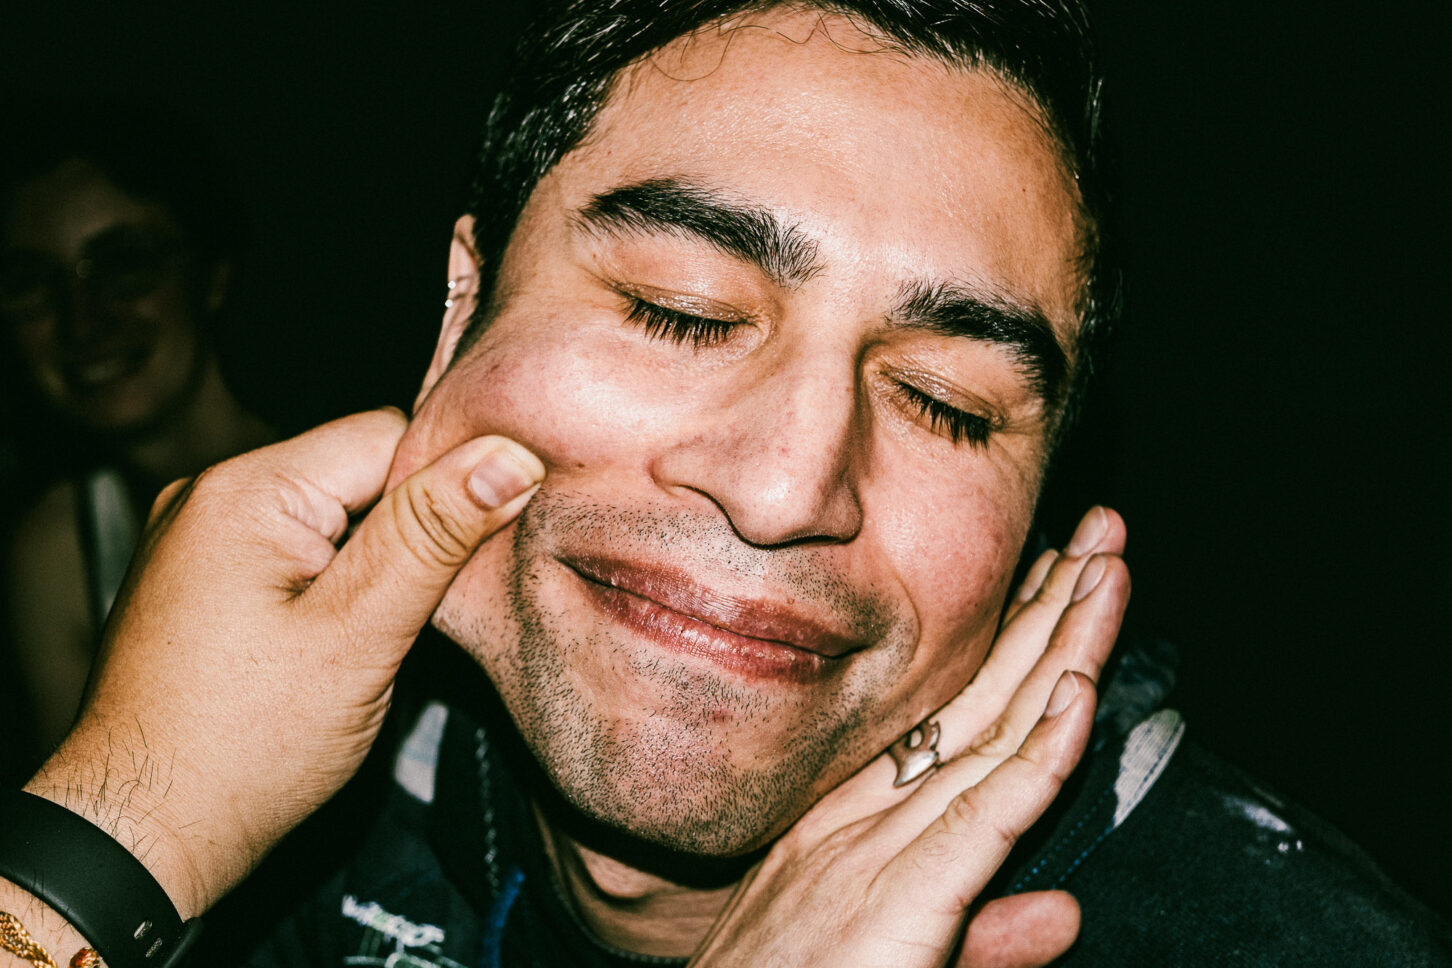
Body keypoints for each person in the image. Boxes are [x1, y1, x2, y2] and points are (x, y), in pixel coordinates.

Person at [0, 2, 1446, 966]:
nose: (784, 483)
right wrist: (128, 831)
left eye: (947, 402)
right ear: (460, 311)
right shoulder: (287, 824)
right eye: (681, 311)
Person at [0, 109, 275, 763]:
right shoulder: (59, 544)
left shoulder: (362, 471)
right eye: (32, 284)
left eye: (124, 265)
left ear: (210, 275)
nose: (83, 322)